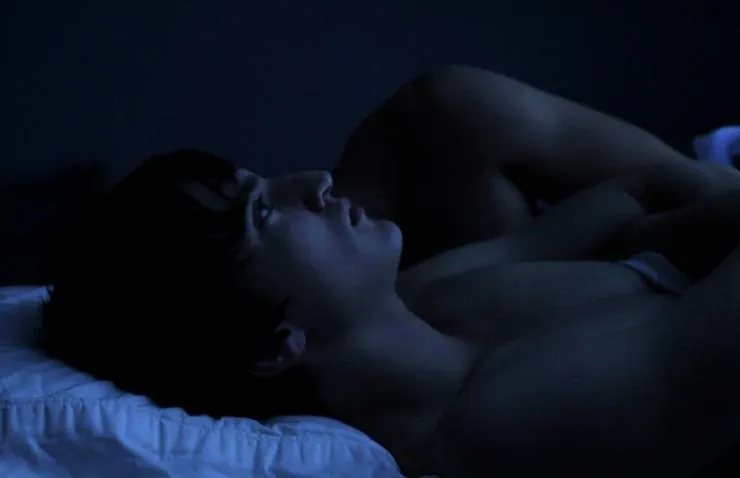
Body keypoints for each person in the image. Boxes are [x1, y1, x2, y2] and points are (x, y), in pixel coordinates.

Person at [41, 66, 740, 477]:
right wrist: (672, 232)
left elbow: (637, 193)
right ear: (275, 346)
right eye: (266, 214)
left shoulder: (425, 304)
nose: (314, 181)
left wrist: (663, 231)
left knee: (446, 108)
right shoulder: (513, 419)